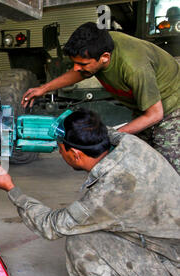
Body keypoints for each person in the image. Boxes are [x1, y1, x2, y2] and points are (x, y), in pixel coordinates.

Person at [0, 109, 180, 276]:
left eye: (60, 149)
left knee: (81, 246)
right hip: (166, 240)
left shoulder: (108, 192)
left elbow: (51, 226)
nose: (59, 152)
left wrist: (11, 189)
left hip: (174, 268)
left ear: (77, 154)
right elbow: (104, 131)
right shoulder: (129, 143)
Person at [21, 22, 180, 174]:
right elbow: (80, 72)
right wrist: (44, 88)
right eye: (75, 63)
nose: (77, 68)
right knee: (134, 160)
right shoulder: (98, 46)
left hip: (172, 107)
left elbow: (155, 114)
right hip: (143, 107)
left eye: (82, 64)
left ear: (104, 57)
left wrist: (111, 134)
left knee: (168, 169)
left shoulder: (134, 67)